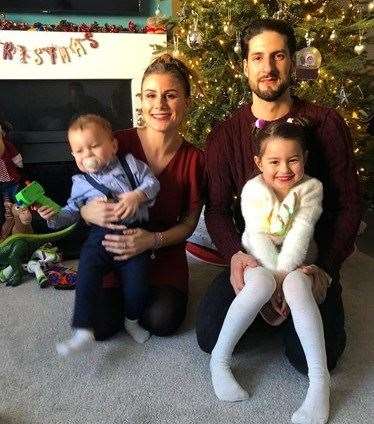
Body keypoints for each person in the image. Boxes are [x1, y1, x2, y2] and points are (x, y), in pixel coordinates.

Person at [197, 17, 362, 423]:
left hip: (309, 260)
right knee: (208, 335)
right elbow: (217, 210)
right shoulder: (224, 135)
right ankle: (265, 313)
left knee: (308, 359)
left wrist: (323, 268)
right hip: (254, 256)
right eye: (257, 58)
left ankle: (296, 333)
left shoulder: (326, 124)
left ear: (291, 63)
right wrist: (236, 256)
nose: (268, 67)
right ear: (245, 67)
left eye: (278, 56)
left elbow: (349, 206)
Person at [210, 119, 331, 423]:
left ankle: (320, 381)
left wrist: (284, 277)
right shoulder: (253, 190)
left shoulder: (311, 189)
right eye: (274, 161)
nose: (284, 169)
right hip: (258, 257)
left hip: (298, 259)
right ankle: (219, 360)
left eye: (293, 159)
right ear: (258, 163)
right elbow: (259, 235)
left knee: (296, 285)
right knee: (260, 285)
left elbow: (301, 234)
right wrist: (272, 277)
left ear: (304, 159)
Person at [79, 54, 205, 337]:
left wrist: (151, 240)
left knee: (162, 320)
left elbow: (188, 224)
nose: (159, 104)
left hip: (163, 251)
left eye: (170, 95)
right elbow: (83, 200)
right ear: (141, 101)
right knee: (99, 327)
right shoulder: (115, 144)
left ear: (187, 101)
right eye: (151, 95)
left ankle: (140, 298)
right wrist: (88, 212)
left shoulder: (196, 159)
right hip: (114, 248)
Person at [37, 114, 160, 356]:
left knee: (137, 284)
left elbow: (153, 183)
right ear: (73, 156)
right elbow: (70, 213)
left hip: (133, 236)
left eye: (94, 146)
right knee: (86, 269)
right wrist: (52, 216)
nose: (88, 155)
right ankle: (82, 329)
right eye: (80, 151)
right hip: (100, 238)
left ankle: (132, 320)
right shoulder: (80, 181)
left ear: (113, 145)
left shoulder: (131, 165)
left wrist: (137, 195)